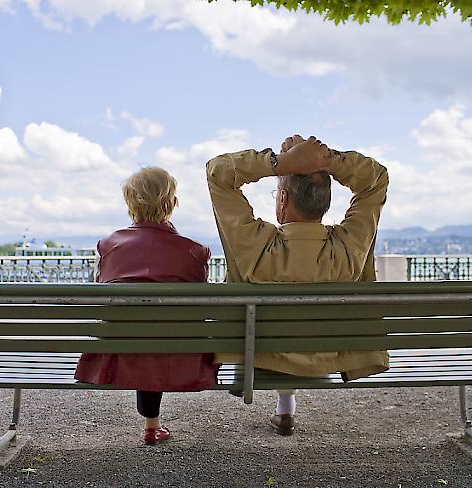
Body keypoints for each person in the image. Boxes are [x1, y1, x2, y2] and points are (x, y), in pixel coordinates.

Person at [206, 134, 389, 436]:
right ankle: (286, 405)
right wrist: (328, 160)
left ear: (282, 201)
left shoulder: (256, 247)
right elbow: (376, 179)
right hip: (327, 357)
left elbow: (217, 172)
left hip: (260, 355)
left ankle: (284, 401)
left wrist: (278, 164)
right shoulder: (346, 250)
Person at [74, 166, 215, 445]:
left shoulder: (109, 245)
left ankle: (152, 424)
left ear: (130, 203)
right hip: (179, 353)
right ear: (173, 204)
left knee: (141, 331)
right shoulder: (195, 251)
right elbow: (200, 308)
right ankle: (153, 425)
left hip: (120, 351)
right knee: (158, 334)